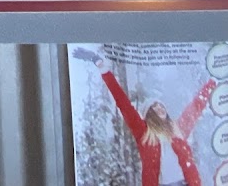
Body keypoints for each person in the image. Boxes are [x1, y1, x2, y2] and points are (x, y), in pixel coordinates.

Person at [73, 48, 216, 186]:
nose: (159, 107)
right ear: (148, 114)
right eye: (154, 106)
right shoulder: (143, 132)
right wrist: (102, 67)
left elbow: (196, 106)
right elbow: (122, 102)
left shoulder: (178, 128)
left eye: (161, 105)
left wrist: (213, 80)